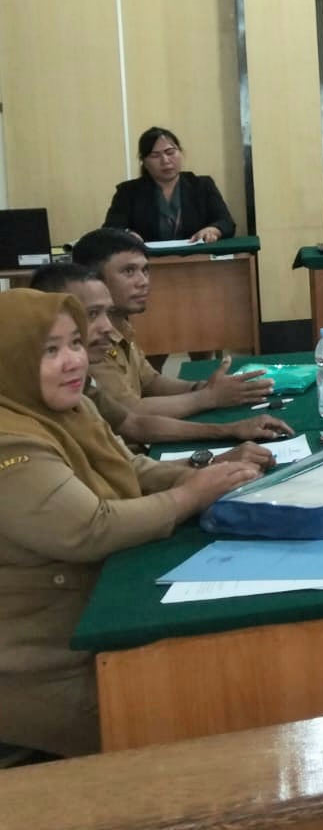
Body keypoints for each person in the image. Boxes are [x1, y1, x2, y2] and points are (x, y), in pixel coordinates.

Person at [0, 288, 269, 757]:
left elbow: (129, 468)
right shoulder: (11, 441)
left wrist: (203, 477)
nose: (72, 360)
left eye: (75, 343)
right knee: (189, 732)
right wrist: (188, 497)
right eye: (50, 350)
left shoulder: (68, 407)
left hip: (97, 617)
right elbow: (90, 528)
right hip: (43, 668)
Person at [28, 264, 290, 448]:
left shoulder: (87, 380)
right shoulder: (38, 398)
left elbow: (135, 421)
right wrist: (208, 398)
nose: (106, 326)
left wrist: (227, 427)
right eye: (92, 314)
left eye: (145, 270)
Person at [70, 229, 272, 417]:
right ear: (92, 280)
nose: (143, 281)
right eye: (129, 271)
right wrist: (209, 397)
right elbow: (132, 413)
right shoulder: (89, 340)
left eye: (145, 270)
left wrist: (203, 388)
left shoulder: (121, 325)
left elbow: (150, 382)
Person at [102, 126, 236, 245]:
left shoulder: (202, 185)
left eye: (170, 152)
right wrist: (127, 235)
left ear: (180, 153)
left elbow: (226, 222)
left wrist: (213, 230)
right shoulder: (128, 192)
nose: (165, 160)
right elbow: (110, 230)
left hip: (197, 258)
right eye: (155, 156)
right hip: (146, 261)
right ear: (144, 162)